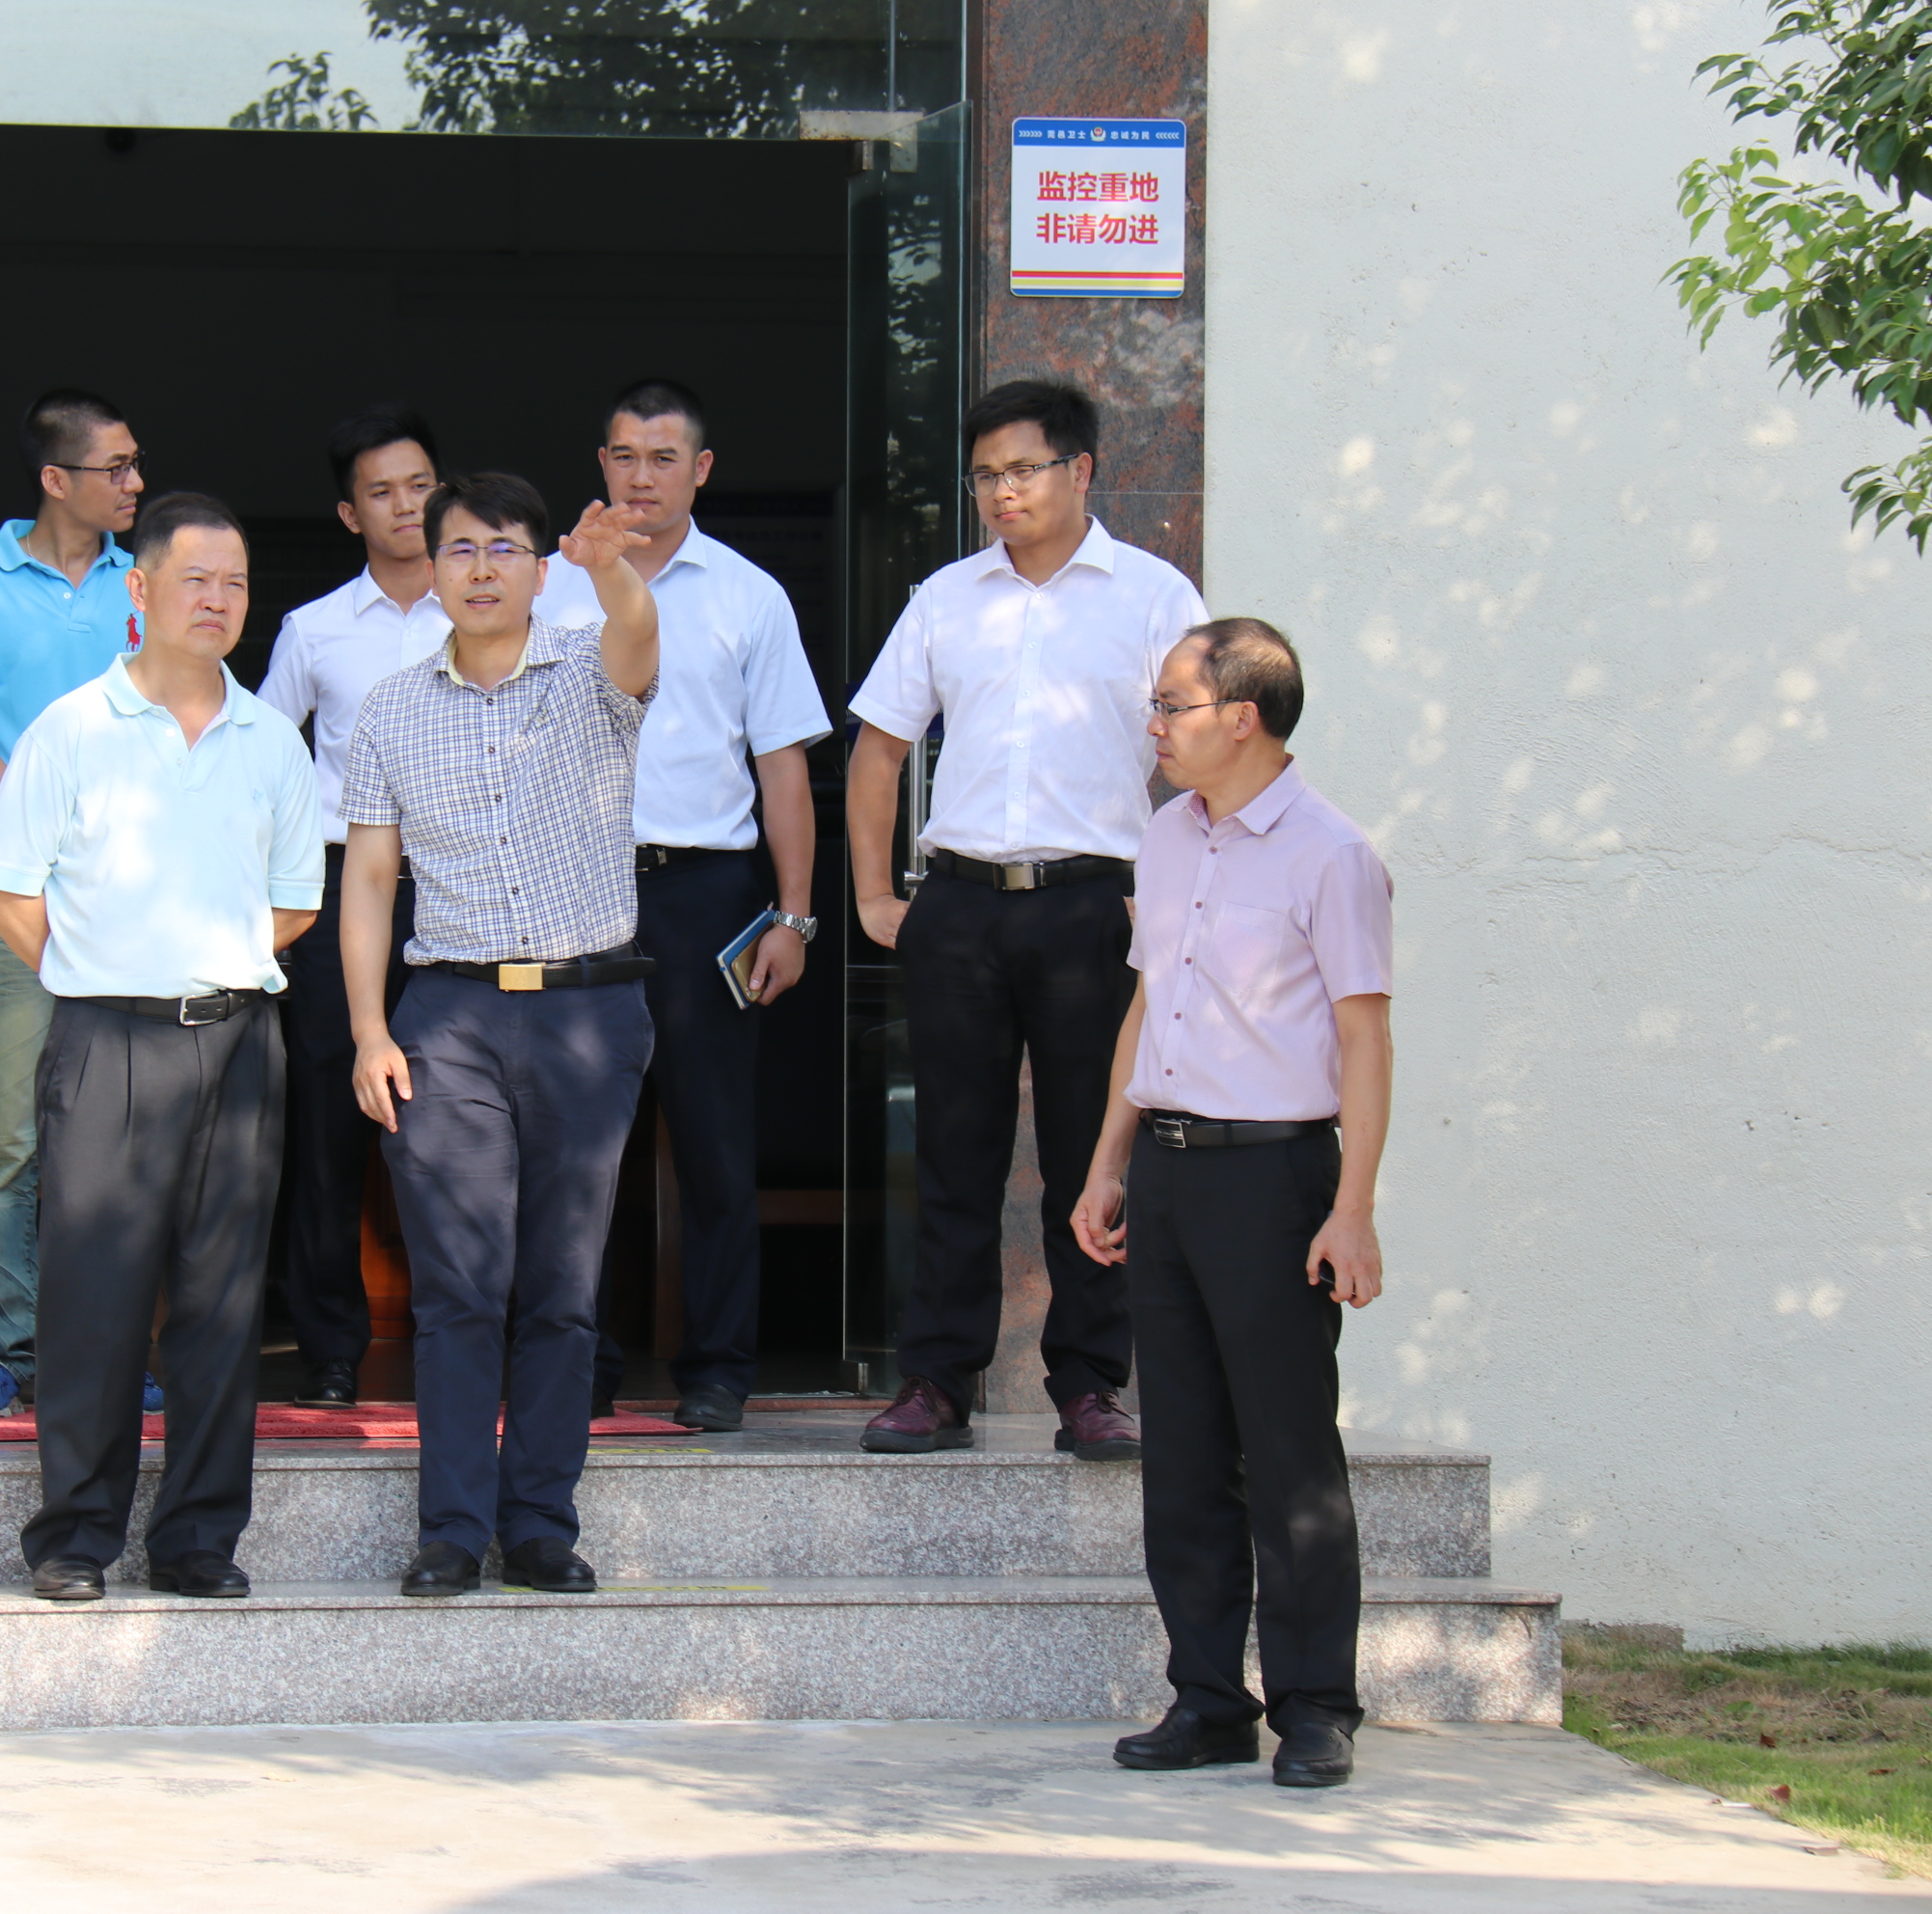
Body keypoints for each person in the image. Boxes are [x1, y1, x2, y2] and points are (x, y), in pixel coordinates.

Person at [844, 379, 1206, 1458]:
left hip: (1097, 906)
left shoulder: (1154, 596)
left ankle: (1090, 1385)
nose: (1003, 492)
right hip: (960, 905)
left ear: (1080, 469)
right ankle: (936, 1381)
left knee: (1093, 1153)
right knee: (952, 1154)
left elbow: (1201, 750)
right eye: (986, 476)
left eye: (1023, 469)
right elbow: (879, 747)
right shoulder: (947, 598)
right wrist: (874, 896)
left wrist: (1177, 894)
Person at [0, 493, 322, 1601]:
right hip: (106, 1038)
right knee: (95, 1296)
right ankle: (75, 1537)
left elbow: (295, 904)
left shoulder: (271, 740)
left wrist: (201, 959)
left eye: (235, 583)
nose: (218, 600)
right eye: (195, 579)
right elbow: (7, 891)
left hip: (238, 1040)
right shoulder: (72, 729)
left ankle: (197, 1540)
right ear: (141, 587)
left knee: (224, 1299)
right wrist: (101, 965)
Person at [1069, 618, 1393, 1789]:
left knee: (1289, 1450)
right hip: (1167, 1169)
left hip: (1274, 1176)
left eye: (1173, 704)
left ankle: (1317, 1706)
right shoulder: (1165, 837)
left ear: (1241, 717)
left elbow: (1365, 1040)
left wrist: (1351, 1208)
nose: (1154, 724)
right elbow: (1146, 1006)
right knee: (1186, 1451)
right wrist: (1108, 1162)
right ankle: (1208, 1698)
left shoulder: (1331, 854)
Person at [342, 474, 659, 1600]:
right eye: (461, 549)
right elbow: (369, 877)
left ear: (539, 567)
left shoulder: (590, 667)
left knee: (563, 1283)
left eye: (505, 548)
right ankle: (450, 1527)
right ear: (430, 569)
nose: (481, 568)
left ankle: (537, 1526)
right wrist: (369, 1028)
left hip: (586, 1011)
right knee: (458, 1284)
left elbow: (639, 633)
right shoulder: (389, 708)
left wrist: (612, 566)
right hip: (451, 1015)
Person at [533, 378, 830, 1431]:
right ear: (600, 465)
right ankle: (581, 1364)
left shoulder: (750, 595)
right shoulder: (550, 588)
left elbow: (783, 766)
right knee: (578, 1143)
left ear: (700, 470)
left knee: (713, 1139)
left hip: (707, 892)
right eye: (623, 456)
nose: (641, 476)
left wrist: (793, 917)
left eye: (663, 458)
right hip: (576, 887)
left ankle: (717, 1368)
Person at [0, 389, 148, 1427]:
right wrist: (50, 852)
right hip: (16, 901)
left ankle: (107, 1349)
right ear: (57, 479)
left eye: (136, 464)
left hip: (129, 907)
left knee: (117, 1141)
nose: (136, 483)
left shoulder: (143, 581)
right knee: (14, 1137)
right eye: (117, 467)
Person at [257, 407, 450, 1408]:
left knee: (461, 1122)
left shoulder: (497, 611)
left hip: (462, 890)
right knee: (329, 1128)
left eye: (420, 485)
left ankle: (462, 1338)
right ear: (349, 513)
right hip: (342, 896)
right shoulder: (315, 628)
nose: (405, 505)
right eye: (382, 491)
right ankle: (330, 1347)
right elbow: (258, 754)